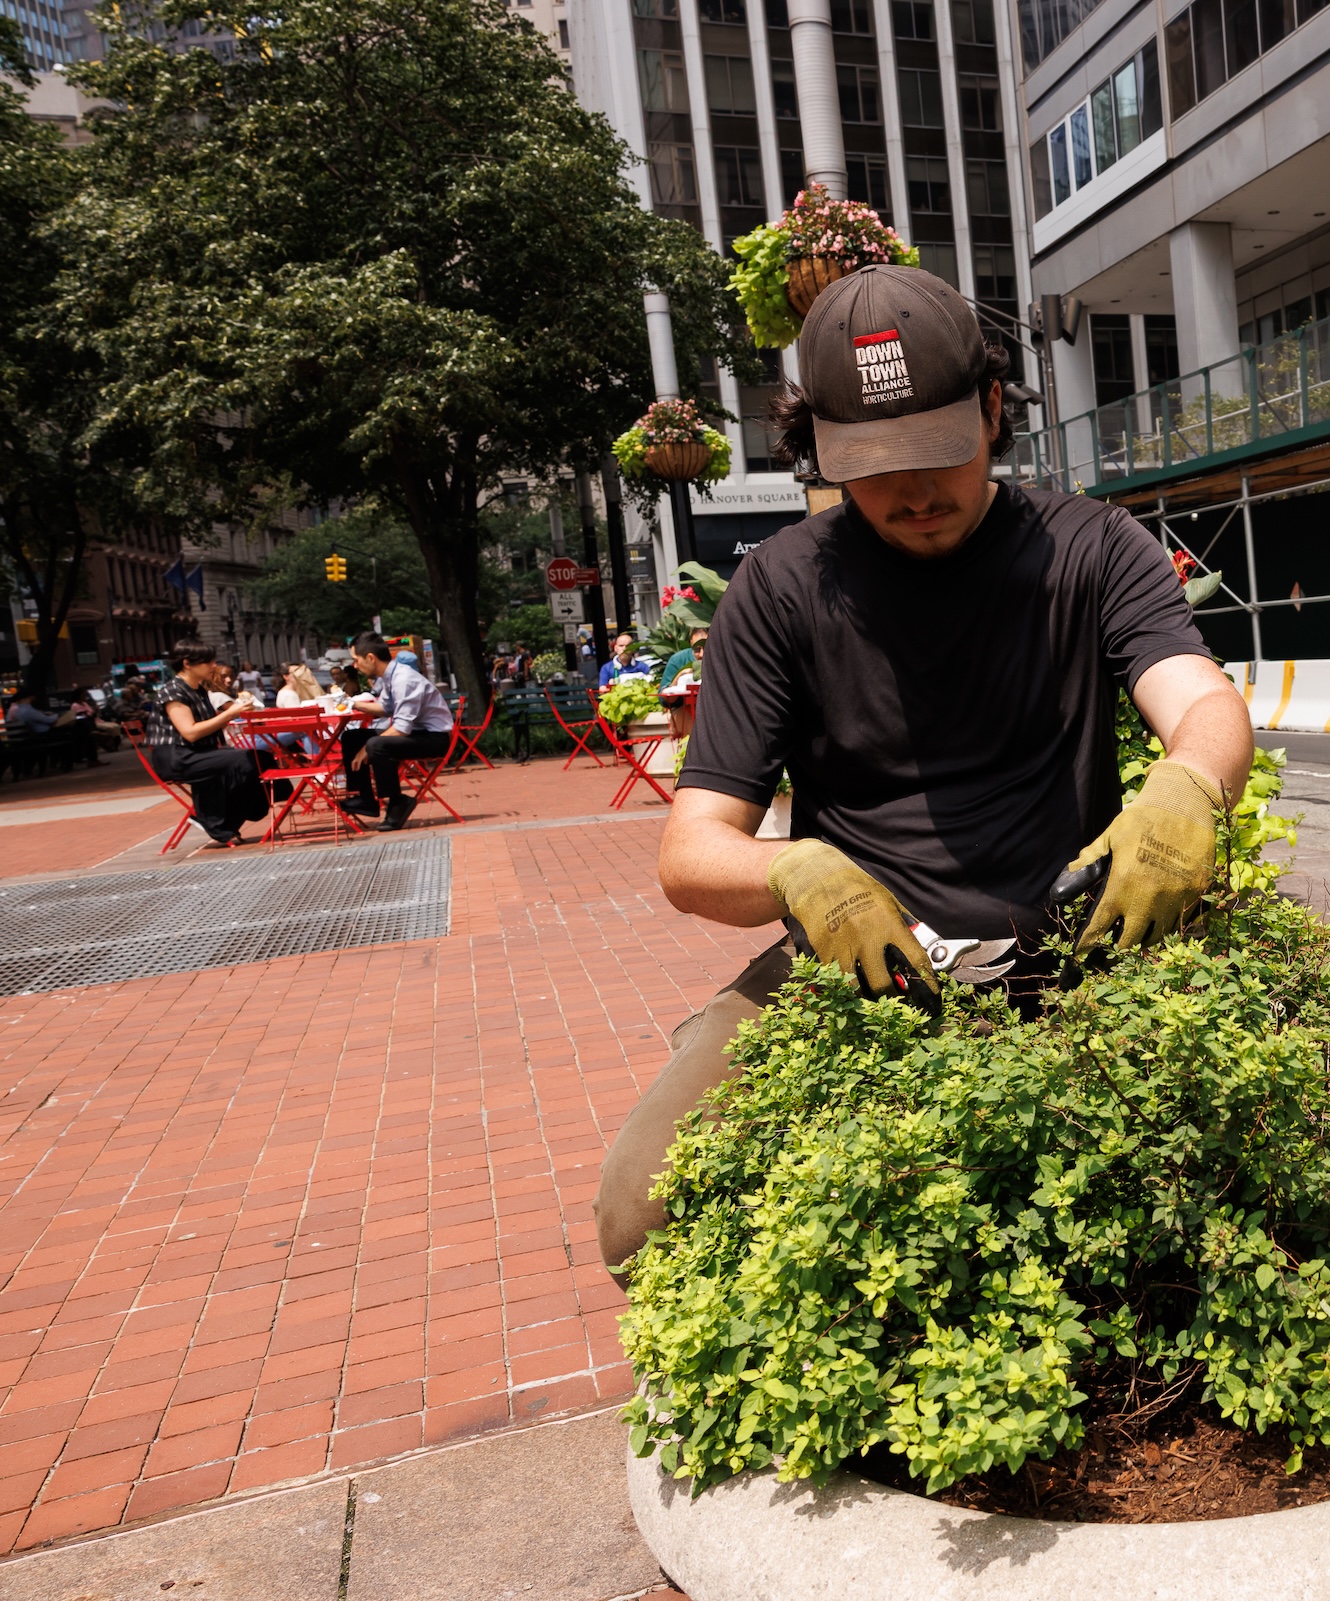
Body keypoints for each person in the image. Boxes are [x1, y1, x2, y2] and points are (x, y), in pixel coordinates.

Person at [593, 264, 1255, 1271]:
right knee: (641, 1208)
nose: (911, 492)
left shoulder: (1089, 548)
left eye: (937, 452)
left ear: (993, 409)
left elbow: (1198, 698)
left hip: (1069, 952)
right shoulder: (777, 589)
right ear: (814, 444)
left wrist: (1189, 782)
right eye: (872, 461)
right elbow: (691, 850)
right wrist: (792, 868)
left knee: (1216, 1177)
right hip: (858, 963)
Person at [146, 642, 269, 847]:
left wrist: (235, 715)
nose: (213, 666)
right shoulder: (173, 691)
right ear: (187, 664)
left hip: (200, 752)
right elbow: (190, 732)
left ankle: (221, 818)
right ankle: (215, 819)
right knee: (247, 759)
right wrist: (229, 714)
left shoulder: (199, 690)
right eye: (208, 662)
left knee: (260, 757)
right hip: (178, 757)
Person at [338, 631, 455, 831]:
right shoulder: (390, 677)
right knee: (351, 737)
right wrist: (351, 703)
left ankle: (397, 801)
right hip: (417, 733)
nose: (355, 666)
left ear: (370, 658)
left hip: (434, 738)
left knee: (375, 744)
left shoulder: (403, 679)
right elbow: (385, 708)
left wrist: (366, 749)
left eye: (356, 660)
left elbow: (401, 728)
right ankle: (365, 798)